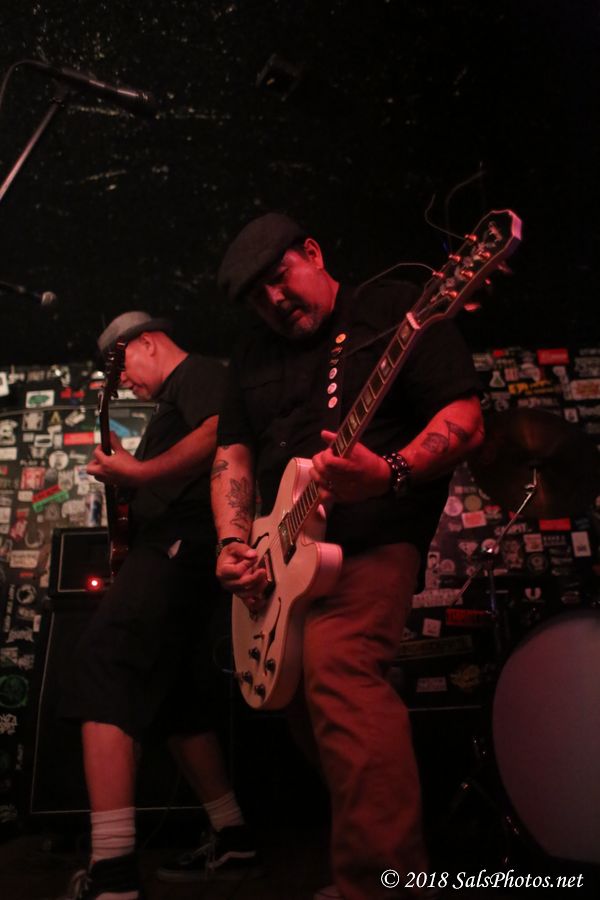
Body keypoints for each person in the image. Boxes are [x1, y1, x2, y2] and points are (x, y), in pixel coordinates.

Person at [211, 214, 484, 900]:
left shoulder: (396, 309)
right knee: (302, 706)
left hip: (372, 537)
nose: (274, 300)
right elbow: (232, 454)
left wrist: (389, 471)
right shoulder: (250, 357)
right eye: (257, 297)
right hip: (280, 559)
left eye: (280, 278)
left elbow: (463, 419)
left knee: (337, 667)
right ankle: (384, 859)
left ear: (313, 251)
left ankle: (381, 885)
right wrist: (233, 542)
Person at [58, 312, 257, 900]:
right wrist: (127, 479)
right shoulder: (173, 401)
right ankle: (233, 836)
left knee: (103, 663)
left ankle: (112, 872)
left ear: (145, 342)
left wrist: (139, 471)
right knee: (176, 701)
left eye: (120, 368)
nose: (122, 383)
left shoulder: (198, 374)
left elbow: (221, 431)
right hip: (176, 551)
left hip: (177, 546)